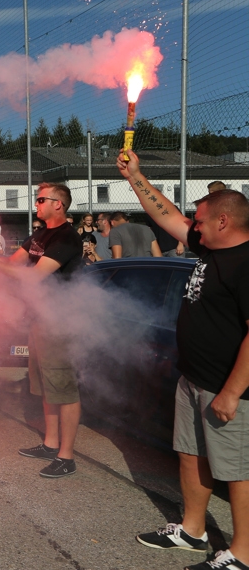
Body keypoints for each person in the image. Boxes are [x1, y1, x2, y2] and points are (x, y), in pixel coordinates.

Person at [119, 150, 249, 570]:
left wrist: (231, 393)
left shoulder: (246, 263)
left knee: (237, 471)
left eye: (200, 219)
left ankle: (243, 554)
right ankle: (193, 532)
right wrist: (136, 177)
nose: (192, 225)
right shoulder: (209, 247)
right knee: (191, 455)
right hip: (193, 378)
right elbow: (167, 215)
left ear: (223, 221)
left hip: (227, 388)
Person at [0, 183, 84, 479]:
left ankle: (67, 456)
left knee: (64, 389)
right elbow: (12, 263)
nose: (37, 204)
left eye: (42, 199)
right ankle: (50, 443)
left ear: (59, 204)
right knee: (44, 385)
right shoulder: (38, 235)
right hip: (39, 319)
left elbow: (35, 276)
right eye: (37, 199)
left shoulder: (67, 237)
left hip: (60, 321)